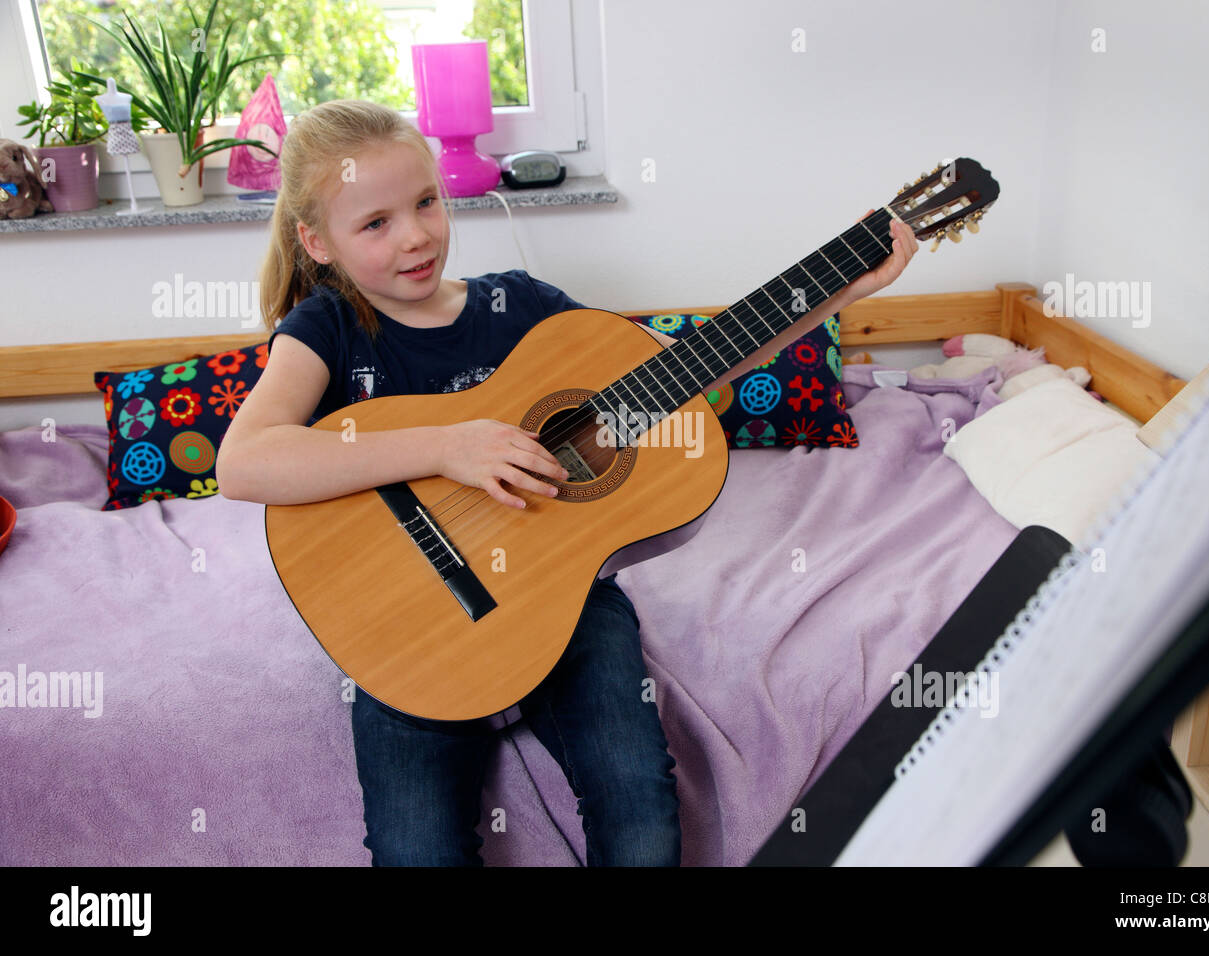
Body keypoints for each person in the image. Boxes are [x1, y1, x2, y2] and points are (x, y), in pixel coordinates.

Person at [216, 99, 917, 866]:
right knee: (415, 850)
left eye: (425, 203)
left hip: (563, 595)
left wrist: (840, 290)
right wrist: (448, 446)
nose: (415, 235)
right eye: (375, 224)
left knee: (640, 807)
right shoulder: (329, 327)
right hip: (402, 624)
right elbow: (245, 462)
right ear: (316, 243)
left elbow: (693, 362)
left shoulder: (519, 305)